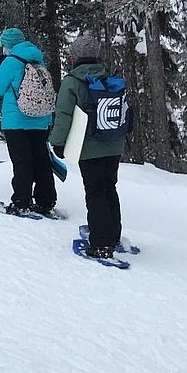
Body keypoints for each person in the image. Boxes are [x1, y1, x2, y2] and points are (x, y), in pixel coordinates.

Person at [50, 35, 124, 259]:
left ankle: (101, 243)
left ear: (75, 57)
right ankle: (112, 235)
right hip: (113, 144)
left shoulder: (72, 82)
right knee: (109, 188)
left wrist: (58, 142)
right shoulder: (107, 77)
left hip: (88, 147)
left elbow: (63, 115)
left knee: (95, 192)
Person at [0, 27, 56, 215]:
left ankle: (21, 200)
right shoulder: (38, 58)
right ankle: (46, 200)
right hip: (41, 119)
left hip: (16, 120)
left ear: (7, 45)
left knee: (22, 161)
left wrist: (1, 67)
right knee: (41, 160)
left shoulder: (11, 62)